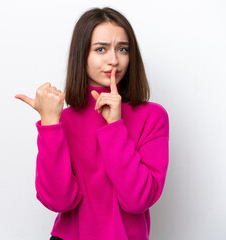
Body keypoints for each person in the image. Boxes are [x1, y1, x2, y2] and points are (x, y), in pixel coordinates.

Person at [15, 7, 169, 240]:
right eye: (101, 49)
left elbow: (137, 200)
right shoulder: (62, 120)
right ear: (82, 55)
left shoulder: (152, 117)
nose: (114, 60)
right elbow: (58, 200)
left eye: (122, 49)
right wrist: (49, 124)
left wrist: (115, 126)